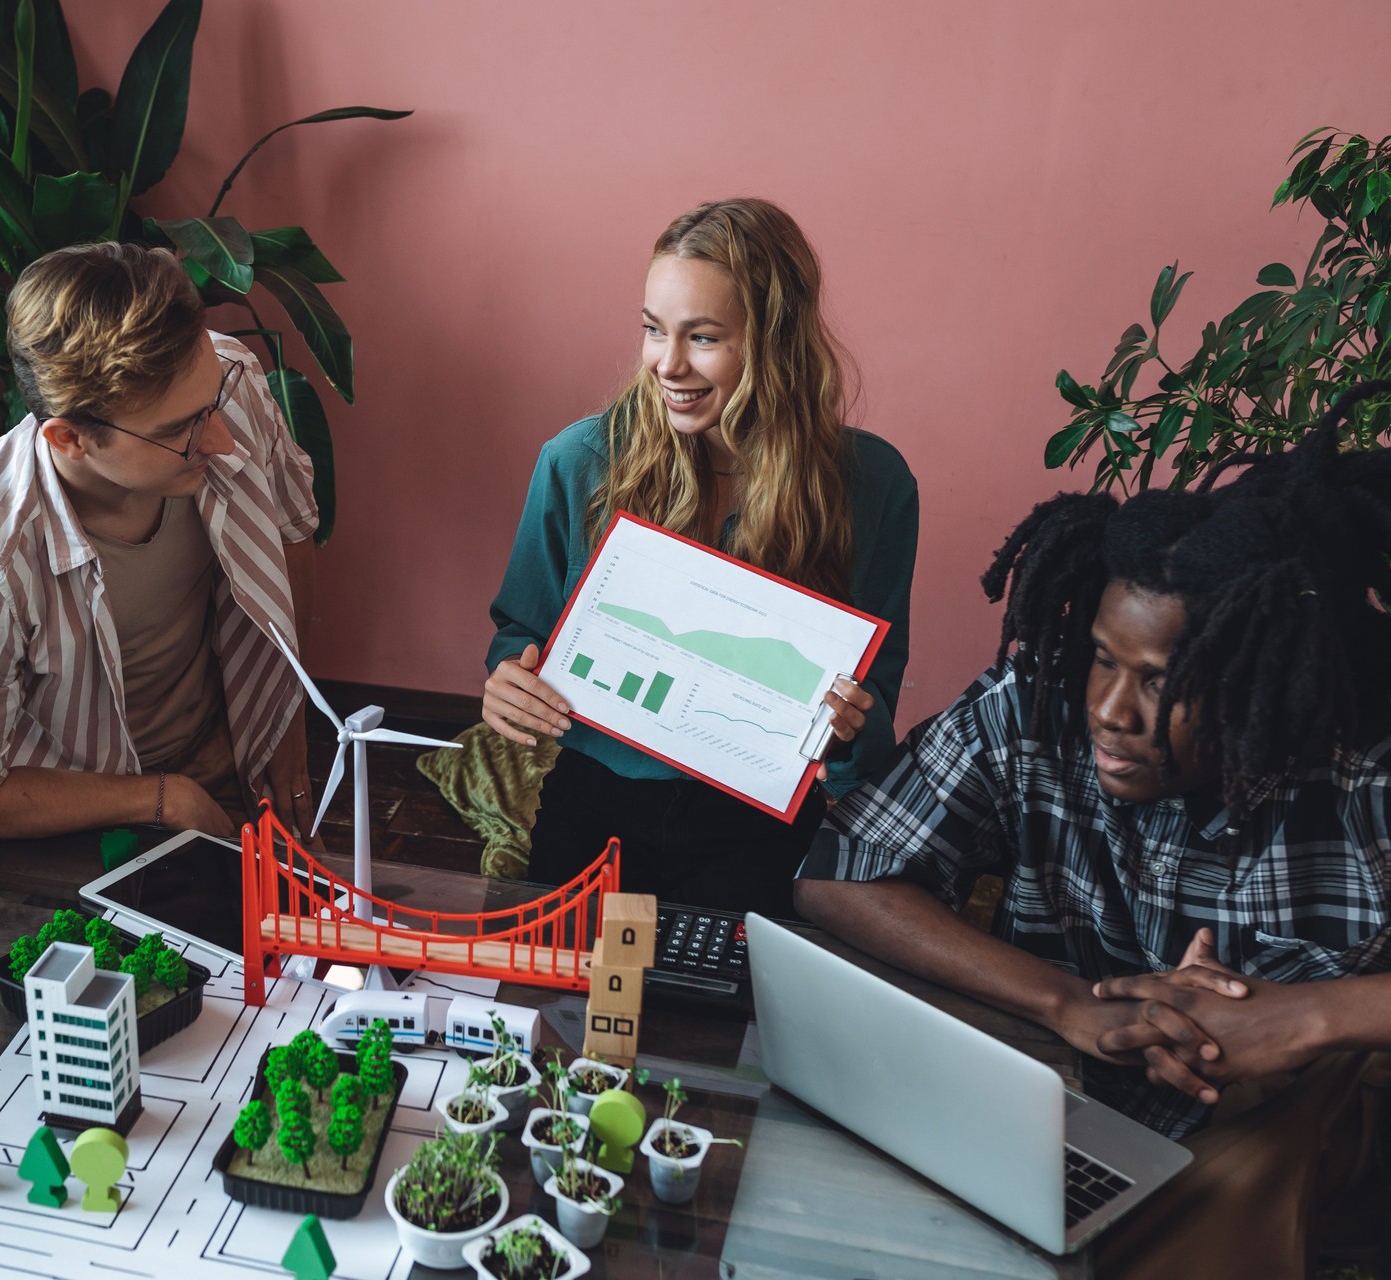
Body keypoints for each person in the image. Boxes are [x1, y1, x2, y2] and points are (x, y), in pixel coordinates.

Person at [794, 383, 1391, 1279]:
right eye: (1105, 661)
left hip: (1280, 1137)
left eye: (1160, 681)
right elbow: (840, 877)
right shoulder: (1031, 710)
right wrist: (1066, 1002)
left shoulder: (1360, 776)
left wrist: (1308, 1020)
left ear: (1249, 676)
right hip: (1051, 1106)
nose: (1111, 710)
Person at [483, 198, 918, 913]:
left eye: (704, 337)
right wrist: (507, 679)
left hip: (759, 823)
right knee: (556, 1011)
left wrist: (849, 728)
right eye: (654, 330)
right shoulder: (578, 461)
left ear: (774, 342)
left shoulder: (873, 487)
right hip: (596, 807)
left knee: (721, 1018)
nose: (667, 363)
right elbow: (519, 635)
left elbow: (870, 727)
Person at [0, 243, 318, 840]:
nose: (224, 441)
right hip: (68, 813)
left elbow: (291, 530)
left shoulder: (227, 379)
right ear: (70, 437)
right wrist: (162, 798)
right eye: (179, 431)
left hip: (230, 755)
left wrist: (284, 723)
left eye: (213, 405)